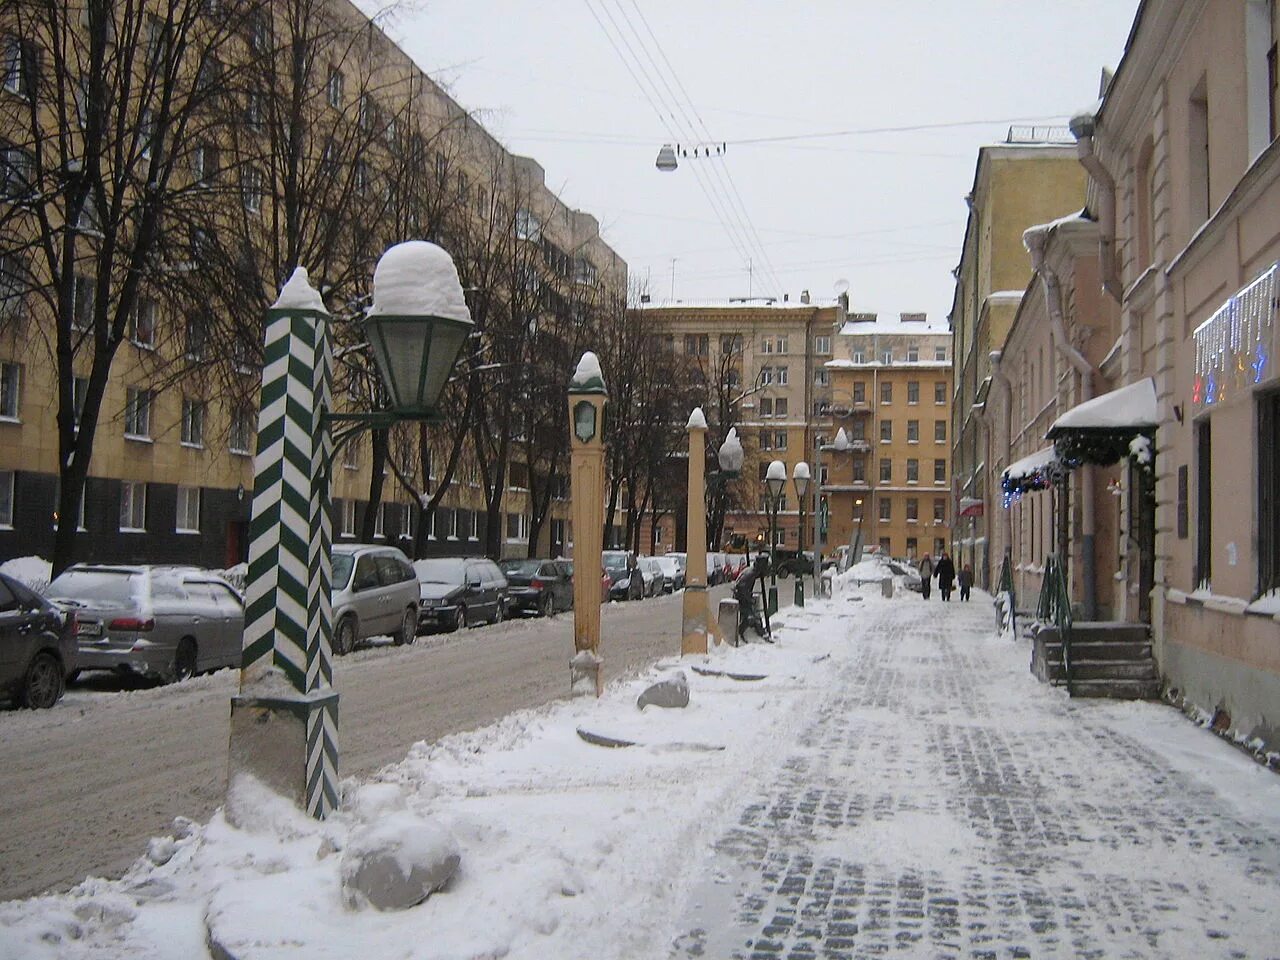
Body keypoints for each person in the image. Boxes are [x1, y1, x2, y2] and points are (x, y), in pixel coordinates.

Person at [733, 554, 771, 643]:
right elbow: (741, 588)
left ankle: (761, 633)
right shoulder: (750, 574)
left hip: (743, 598)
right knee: (750, 617)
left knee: (755, 616)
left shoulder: (752, 571)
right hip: (741, 599)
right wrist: (749, 599)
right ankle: (740, 634)